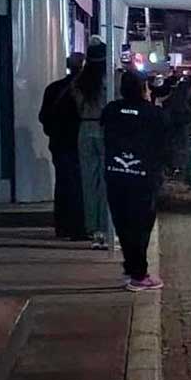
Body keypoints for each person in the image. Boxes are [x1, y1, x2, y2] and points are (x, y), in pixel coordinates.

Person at [101, 70, 168, 291]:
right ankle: (139, 274)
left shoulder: (111, 110)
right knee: (140, 225)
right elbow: (164, 141)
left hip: (116, 173)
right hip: (143, 176)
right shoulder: (153, 113)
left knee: (122, 222)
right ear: (143, 88)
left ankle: (132, 268)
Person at [39, 52, 86, 239]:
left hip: (60, 143)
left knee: (63, 184)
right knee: (81, 185)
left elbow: (43, 116)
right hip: (79, 143)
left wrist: (54, 133)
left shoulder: (54, 88)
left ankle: (63, 225)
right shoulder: (87, 89)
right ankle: (79, 226)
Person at [73, 37, 110, 248]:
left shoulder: (79, 81)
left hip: (84, 129)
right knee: (106, 181)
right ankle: (106, 227)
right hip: (105, 129)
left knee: (88, 181)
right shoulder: (110, 79)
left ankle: (93, 229)